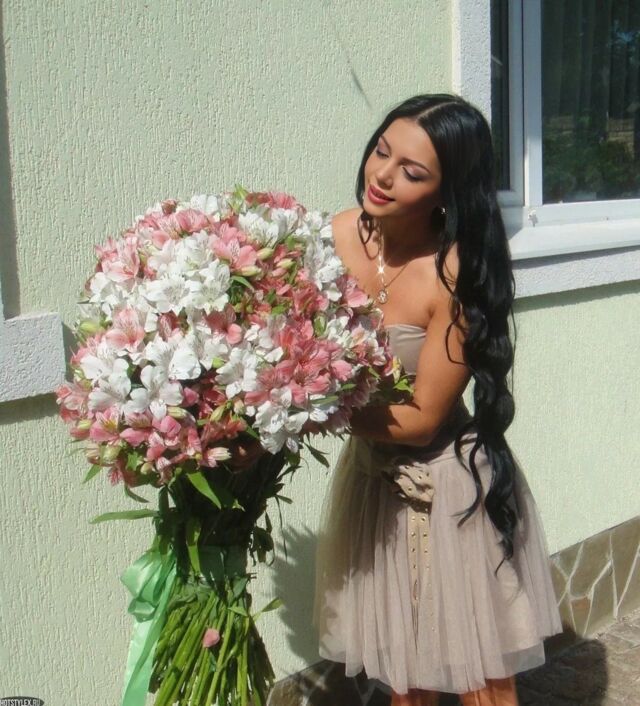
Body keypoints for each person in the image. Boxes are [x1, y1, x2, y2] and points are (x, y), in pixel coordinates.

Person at [312, 94, 563, 706]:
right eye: (381, 151)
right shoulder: (334, 236)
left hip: (445, 489)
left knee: (482, 684)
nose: (382, 175)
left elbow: (423, 419)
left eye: (412, 172)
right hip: (372, 482)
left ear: (447, 193)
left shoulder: (455, 274)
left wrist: (304, 409)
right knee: (405, 675)